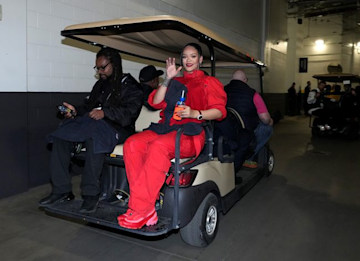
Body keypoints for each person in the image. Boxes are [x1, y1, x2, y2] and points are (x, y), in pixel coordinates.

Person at [117, 43, 227, 229]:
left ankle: (140, 209)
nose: (188, 60)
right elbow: (155, 102)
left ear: (200, 60)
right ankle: (145, 208)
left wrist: (195, 113)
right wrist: (168, 79)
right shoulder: (176, 81)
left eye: (193, 56)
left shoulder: (209, 82)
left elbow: (219, 111)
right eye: (185, 57)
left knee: (158, 146)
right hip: (166, 129)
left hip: (191, 133)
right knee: (132, 144)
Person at [39, 47, 143, 213]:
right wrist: (75, 111)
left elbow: (129, 115)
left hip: (119, 128)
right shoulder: (101, 85)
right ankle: (62, 190)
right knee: (61, 134)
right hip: (96, 124)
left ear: (115, 65)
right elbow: (89, 107)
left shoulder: (131, 86)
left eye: (103, 67)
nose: (100, 71)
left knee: (95, 138)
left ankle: (91, 194)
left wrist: (105, 112)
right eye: (97, 68)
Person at [218, 69, 273, 170]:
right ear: (245, 80)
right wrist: (270, 121)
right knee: (267, 127)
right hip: (245, 131)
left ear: (232, 79)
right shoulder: (253, 94)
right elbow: (265, 118)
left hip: (225, 130)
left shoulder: (221, 91)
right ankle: (250, 156)